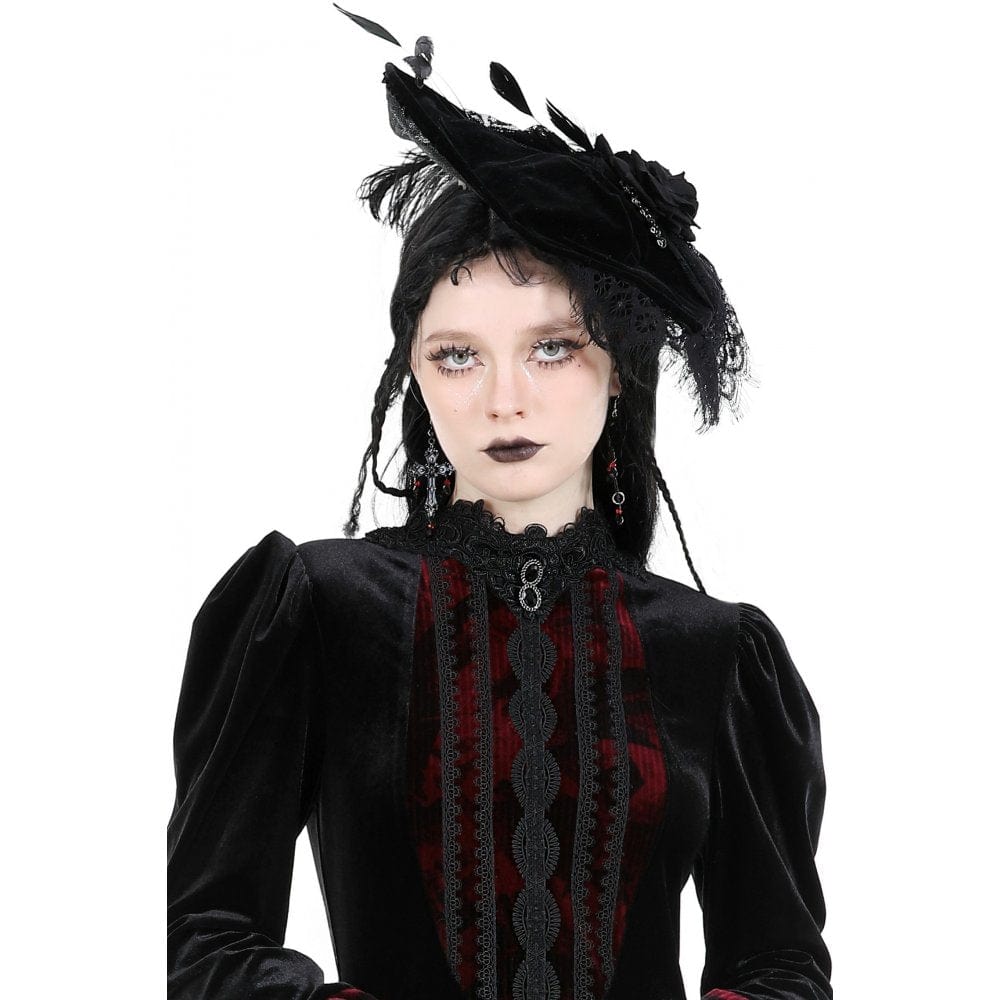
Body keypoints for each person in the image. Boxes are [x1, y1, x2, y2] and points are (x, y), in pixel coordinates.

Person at [167, 11, 832, 1000]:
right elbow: (211, 941)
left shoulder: (715, 652)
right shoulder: (317, 608)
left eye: (551, 347)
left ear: (619, 369)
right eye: (457, 355)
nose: (503, 398)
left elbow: (780, 966)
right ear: (415, 371)